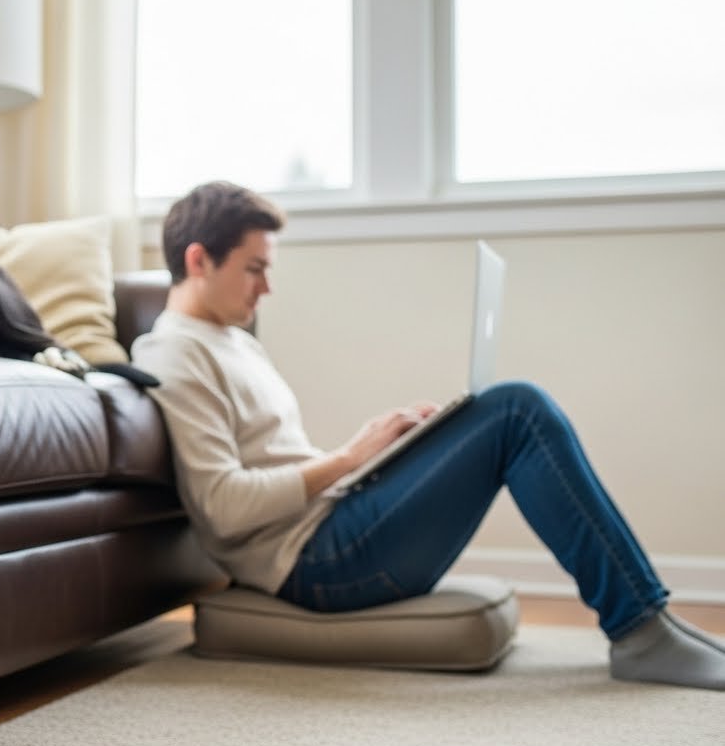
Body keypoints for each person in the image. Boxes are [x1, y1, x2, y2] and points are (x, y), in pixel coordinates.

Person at [131, 180, 725, 690]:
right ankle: (641, 629)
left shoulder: (234, 341)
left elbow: (277, 464)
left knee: (505, 410)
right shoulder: (177, 354)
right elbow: (221, 507)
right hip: (314, 566)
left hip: (333, 523)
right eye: (254, 268)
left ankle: (651, 619)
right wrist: (346, 458)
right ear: (198, 260)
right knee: (518, 411)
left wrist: (381, 453)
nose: (267, 288)